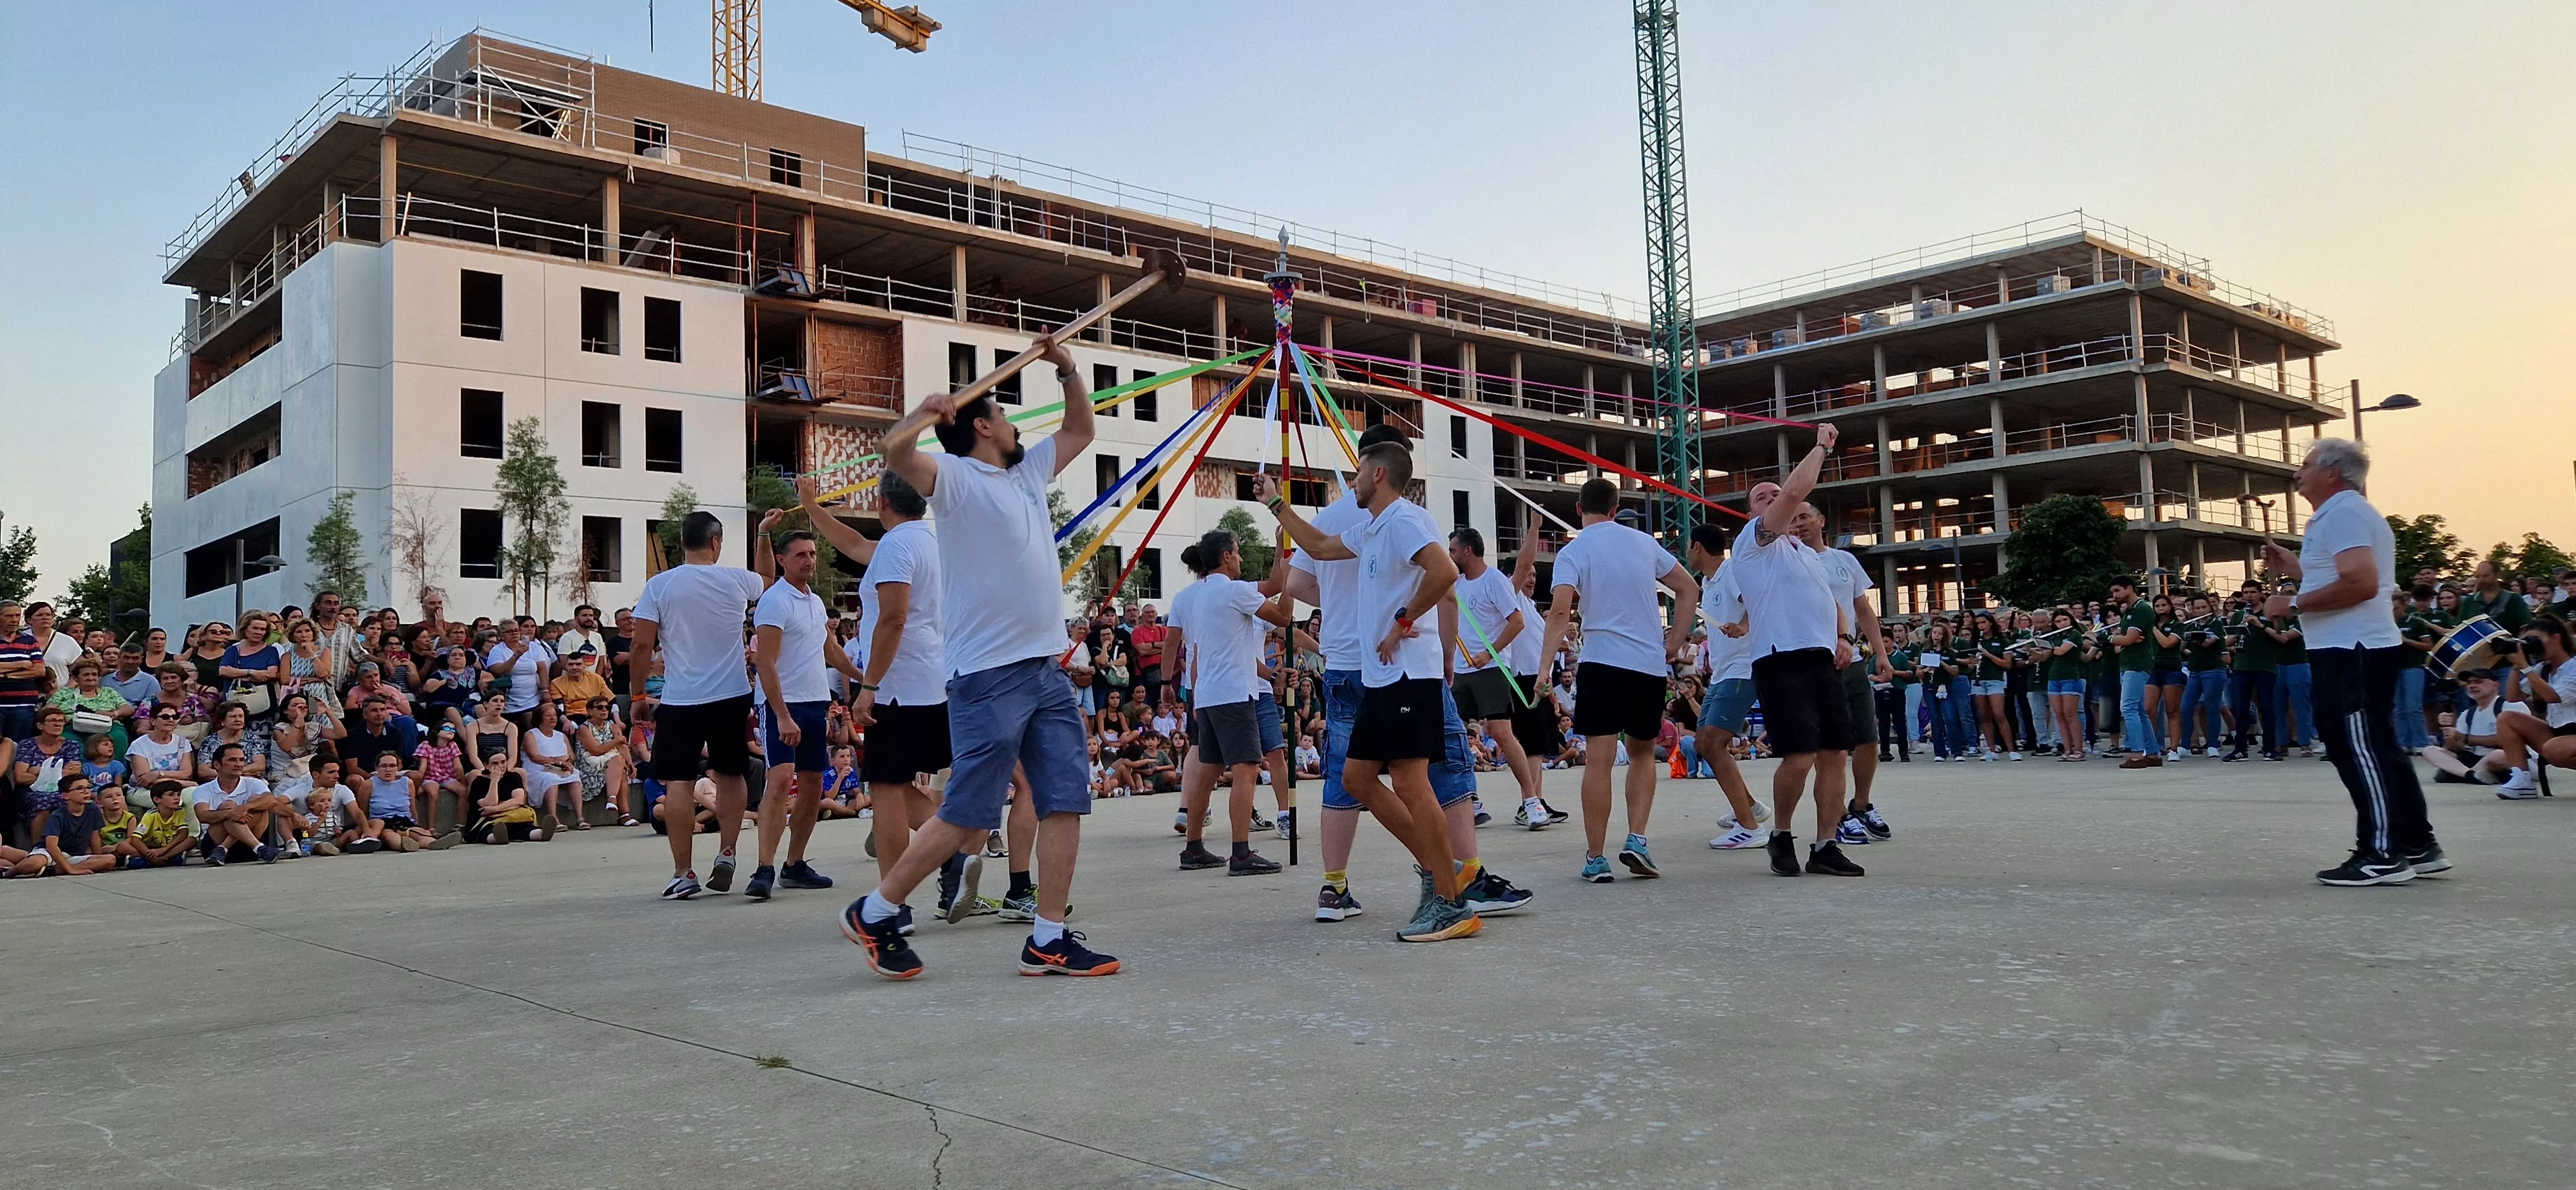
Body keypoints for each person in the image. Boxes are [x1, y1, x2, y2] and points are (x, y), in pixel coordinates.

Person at [842, 337, 1120, 978]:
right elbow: (895, 453)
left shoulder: (1026, 473)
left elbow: (1081, 427)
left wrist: (1068, 369)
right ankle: (877, 911)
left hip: (1042, 670)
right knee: (968, 808)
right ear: (987, 427)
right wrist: (919, 415)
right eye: (1008, 417)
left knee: (1065, 797)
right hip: (987, 676)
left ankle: (1048, 937)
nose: (1019, 427)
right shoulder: (955, 480)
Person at [1258, 438, 1488, 941]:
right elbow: (1317, 546)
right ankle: (1439, 870)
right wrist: (1276, 503)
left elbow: (1445, 571)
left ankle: (1449, 902)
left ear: (1379, 474)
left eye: (1359, 471)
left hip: (1409, 675)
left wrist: (1403, 620)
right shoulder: (1373, 528)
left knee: (1410, 782)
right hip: (1381, 677)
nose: (1354, 479)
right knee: (1359, 779)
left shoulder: (1404, 520)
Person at [2266, 438, 2443, 885]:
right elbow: (2350, 577)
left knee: (2358, 748)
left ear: (2333, 473)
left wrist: (2293, 604)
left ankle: (2381, 852)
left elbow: (2361, 584)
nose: (2298, 472)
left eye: (2306, 465)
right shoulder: (2345, 514)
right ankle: (2416, 843)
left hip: (2352, 650)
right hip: (2357, 647)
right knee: (2377, 746)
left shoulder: (2343, 513)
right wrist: (2298, 569)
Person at [1533, 480, 1700, 882]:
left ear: (1578, 509)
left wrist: (1544, 669)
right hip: (1646, 664)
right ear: (1615, 509)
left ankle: (1595, 857)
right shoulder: (1644, 543)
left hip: (1601, 662)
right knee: (1642, 753)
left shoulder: (1573, 551)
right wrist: (1674, 643)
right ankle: (1637, 840)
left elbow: (1559, 613)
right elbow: (1688, 588)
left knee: (1601, 758)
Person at [1734, 424, 1866, 878]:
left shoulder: (1808, 555)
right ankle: (1782, 833)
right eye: (1762, 497)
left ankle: (1826, 844)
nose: (1773, 499)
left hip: (1820, 657)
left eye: (1775, 494)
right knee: (1801, 755)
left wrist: (1844, 638)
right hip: (1779, 657)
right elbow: (1795, 490)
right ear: (1752, 514)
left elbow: (1831, 603)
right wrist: (1823, 446)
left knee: (1834, 754)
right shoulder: (1753, 544)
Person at [632, 506, 777, 900]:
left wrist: (639, 695)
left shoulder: (659, 585)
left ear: (682, 543)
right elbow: (768, 578)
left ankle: (684, 871)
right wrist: (763, 534)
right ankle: (727, 852)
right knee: (731, 775)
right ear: (716, 543)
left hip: (681, 699)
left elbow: (642, 644)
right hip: (731, 695)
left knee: (678, 780)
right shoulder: (735, 580)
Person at [748, 520, 864, 900]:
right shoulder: (775, 601)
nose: (809, 560)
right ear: (782, 560)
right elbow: (765, 663)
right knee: (780, 780)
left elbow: (830, 651)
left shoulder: (814, 601)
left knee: (813, 785)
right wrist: (782, 715)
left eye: (812, 554)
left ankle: (794, 864)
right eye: (801, 555)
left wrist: (868, 677)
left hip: (816, 703)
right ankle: (764, 867)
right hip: (783, 704)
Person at [1166, 529, 1292, 875]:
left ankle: (1194, 847)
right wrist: (1293, 582)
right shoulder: (1236, 591)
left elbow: (1270, 584)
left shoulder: (1197, 595)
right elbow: (1281, 615)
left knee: (1207, 772)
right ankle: (1241, 853)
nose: (1240, 559)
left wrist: (1282, 551)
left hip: (1206, 694)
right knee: (1246, 770)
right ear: (1226, 556)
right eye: (1237, 553)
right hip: (1234, 693)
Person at [1792, 504, 1893, 845]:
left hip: (1852, 662)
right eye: (1792, 519)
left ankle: (1861, 804)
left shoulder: (1845, 561)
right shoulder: (1789, 561)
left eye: (1804, 517)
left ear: (1822, 521)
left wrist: (1880, 653)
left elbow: (1863, 608)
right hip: (1815, 663)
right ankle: (1838, 816)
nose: (1799, 524)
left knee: (1868, 740)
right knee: (1829, 748)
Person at [1446, 525, 1550, 835]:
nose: (1449, 555)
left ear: (1468, 551)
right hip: (1461, 671)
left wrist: (1489, 654)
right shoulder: (1455, 584)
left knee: (1502, 732)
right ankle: (1470, 799)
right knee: (1453, 735)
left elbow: (1516, 622)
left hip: (1490, 669)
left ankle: (1532, 801)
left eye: (1453, 550)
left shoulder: (1495, 581)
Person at [1683, 523, 1776, 849]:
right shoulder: (1708, 583)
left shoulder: (1732, 572)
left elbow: (1758, 603)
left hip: (1743, 668)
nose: (1686, 553)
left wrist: (1744, 626)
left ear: (1697, 547)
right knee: (1703, 743)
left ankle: (1750, 829)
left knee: (1711, 742)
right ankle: (1750, 807)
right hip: (1722, 672)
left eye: (1688, 546)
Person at [2488, 614, 2576, 796]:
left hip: (2568, 736)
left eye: (2535, 640)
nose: (2532, 645)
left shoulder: (2574, 666)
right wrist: (2517, 665)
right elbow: (2513, 697)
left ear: (2556, 638)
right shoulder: (2542, 669)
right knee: (2507, 718)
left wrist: (2526, 667)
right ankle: (2522, 780)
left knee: (2553, 749)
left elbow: (2553, 697)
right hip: (2558, 733)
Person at [192, 742, 287, 865]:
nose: (239, 764)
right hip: (213, 846)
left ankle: (225, 849)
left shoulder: (253, 783)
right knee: (228, 806)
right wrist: (231, 813)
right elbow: (203, 816)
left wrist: (245, 808)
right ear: (217, 765)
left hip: (248, 848)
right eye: (233, 760)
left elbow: (271, 801)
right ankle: (259, 848)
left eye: (241, 760)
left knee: (256, 801)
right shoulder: (202, 790)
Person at [2420, 669, 2514, 786]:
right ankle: (2470, 775)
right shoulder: (2467, 714)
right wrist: (2449, 732)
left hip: (2503, 759)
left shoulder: (2509, 707)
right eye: (2469, 683)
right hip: (2475, 757)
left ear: (2495, 685)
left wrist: (2466, 739)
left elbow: (2507, 741)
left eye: (2478, 682)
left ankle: (2459, 773)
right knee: (2429, 750)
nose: (2472, 686)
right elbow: (2455, 748)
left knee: (2499, 755)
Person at [11, 773, 117, 876]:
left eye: (88, 788)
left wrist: (97, 860)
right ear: (66, 796)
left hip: (73, 855)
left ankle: (55, 871)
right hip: (50, 852)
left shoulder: (93, 810)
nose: (86, 792)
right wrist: (70, 870)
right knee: (34, 863)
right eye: (80, 788)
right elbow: (51, 846)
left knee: (110, 860)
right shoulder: (58, 815)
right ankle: (8, 872)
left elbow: (95, 837)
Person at [482, 619, 554, 730]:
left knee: (532, 723)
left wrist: (545, 690)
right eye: (510, 631)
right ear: (502, 635)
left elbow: (542, 669)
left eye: (516, 630)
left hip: (532, 700)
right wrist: (516, 656)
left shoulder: (533, 647)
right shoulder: (497, 650)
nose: (514, 633)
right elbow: (498, 670)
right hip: (508, 702)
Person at [0, 601, 48, 742]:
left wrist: (5, 675)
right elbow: (31, 667)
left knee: (20, 746)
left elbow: (39, 670)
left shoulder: (30, 641)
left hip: (24, 705)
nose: (14, 620)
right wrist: (21, 664)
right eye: (9, 616)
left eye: (17, 616)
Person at [129, 782, 199, 867]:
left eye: (178, 795)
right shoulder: (150, 815)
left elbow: (183, 833)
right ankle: (157, 860)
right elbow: (135, 839)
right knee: (123, 846)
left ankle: (162, 859)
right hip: (150, 848)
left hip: (168, 848)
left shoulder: (180, 812)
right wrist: (149, 854)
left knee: (192, 840)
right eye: (171, 795)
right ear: (157, 800)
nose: (177, 798)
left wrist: (163, 850)